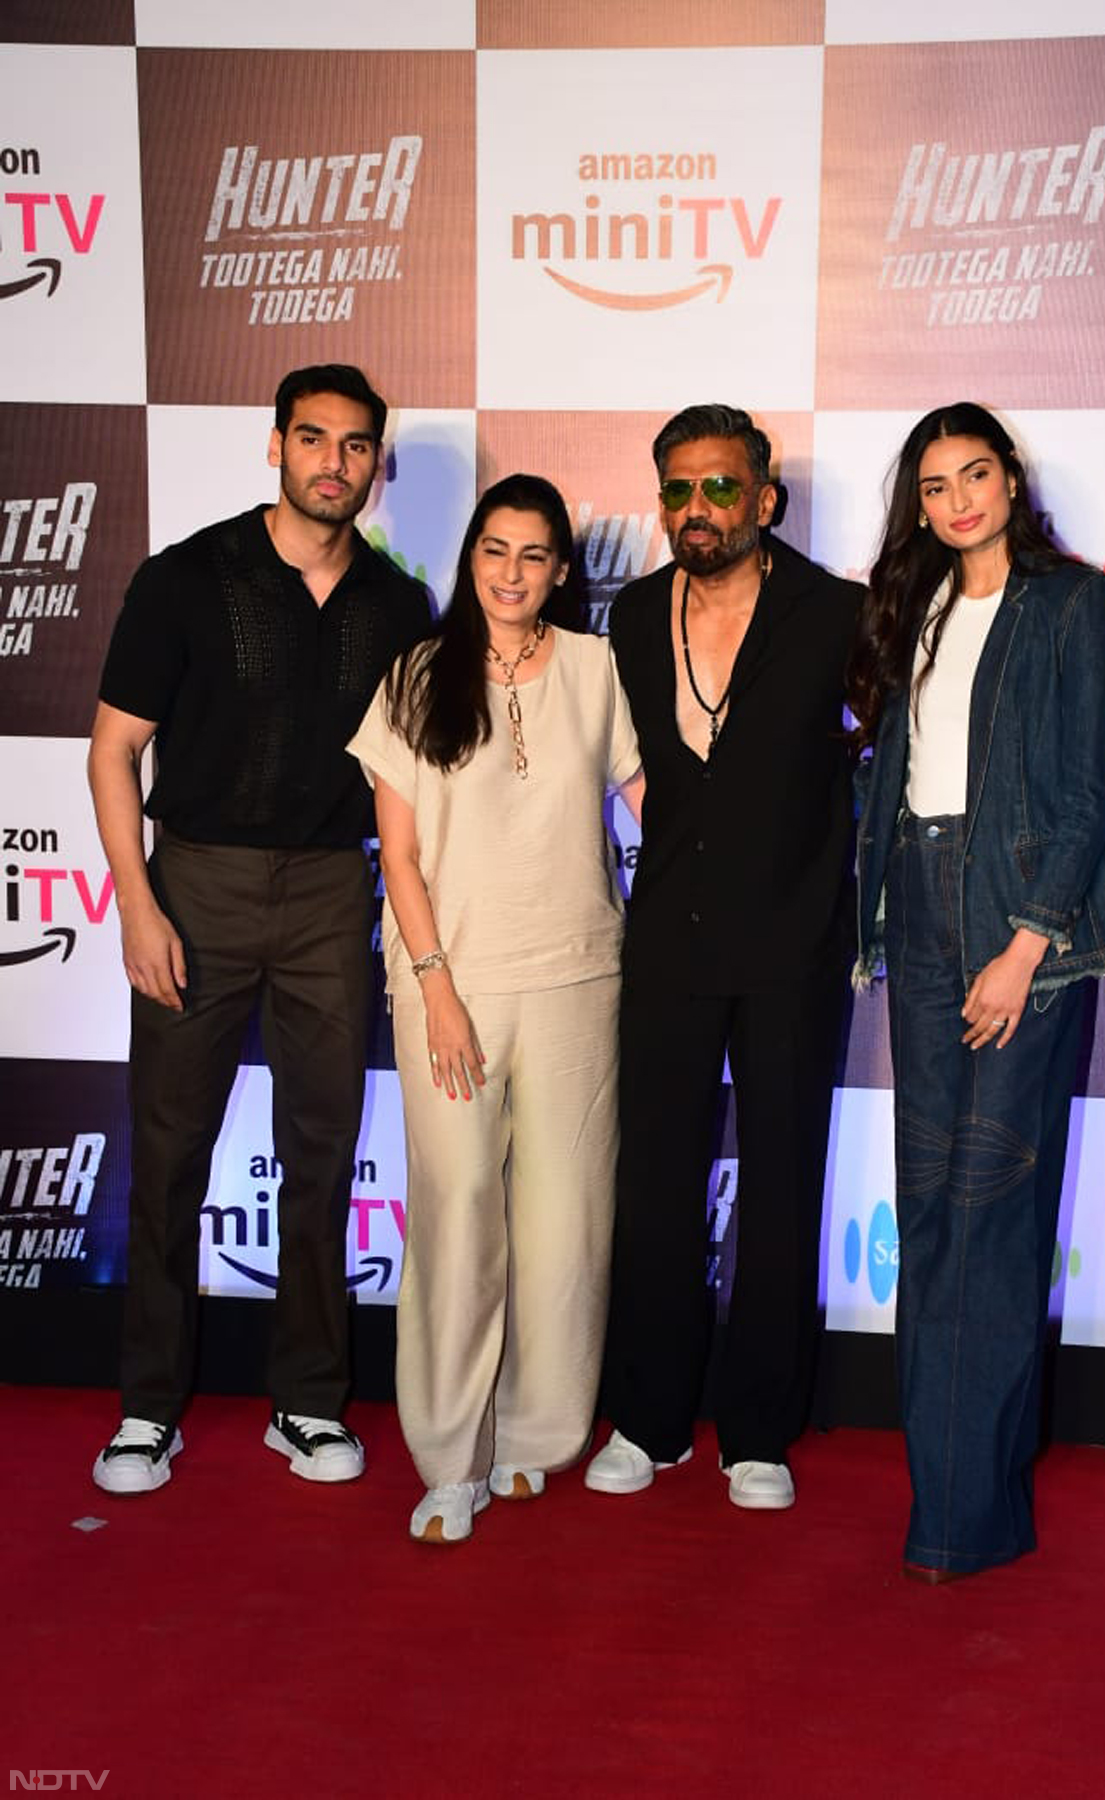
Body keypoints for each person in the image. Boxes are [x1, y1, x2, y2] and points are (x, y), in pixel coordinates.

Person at [89, 363, 430, 1495]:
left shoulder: (396, 603)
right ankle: (146, 1410)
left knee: (325, 1154)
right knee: (170, 1152)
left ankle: (308, 1404)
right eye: (314, 439)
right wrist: (139, 905)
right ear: (276, 446)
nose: (334, 462)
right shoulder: (188, 576)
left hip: (336, 892)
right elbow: (112, 749)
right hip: (198, 886)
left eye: (355, 446)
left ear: (375, 467)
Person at [848, 401, 1105, 1581]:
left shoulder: (1074, 604)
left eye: (976, 474)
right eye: (935, 485)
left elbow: (1082, 797)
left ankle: (968, 1519)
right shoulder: (911, 609)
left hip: (1023, 925)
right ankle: (950, 1505)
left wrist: (1022, 947)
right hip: (918, 911)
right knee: (927, 1219)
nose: (959, 499)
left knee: (989, 1214)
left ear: (1012, 479)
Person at [348, 473, 643, 1545]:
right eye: (493, 551)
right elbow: (402, 855)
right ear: (470, 557)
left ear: (562, 570)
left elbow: (657, 803)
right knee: (458, 1209)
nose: (511, 574)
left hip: (577, 979)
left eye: (533, 556)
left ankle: (533, 1436)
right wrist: (437, 989)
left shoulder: (602, 670)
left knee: (567, 1228)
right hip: (451, 986)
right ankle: (447, 1456)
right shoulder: (417, 675)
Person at [585, 404, 862, 1512]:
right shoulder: (634, 612)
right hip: (668, 937)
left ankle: (759, 1430)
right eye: (678, 492)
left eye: (720, 488)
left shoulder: (835, 613)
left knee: (784, 1185)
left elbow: (880, 757)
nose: (698, 510)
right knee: (652, 1183)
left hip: (794, 938)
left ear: (764, 498)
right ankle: (648, 1420)